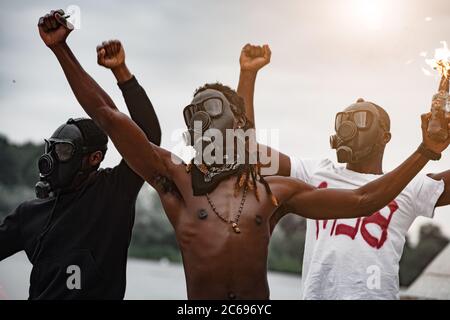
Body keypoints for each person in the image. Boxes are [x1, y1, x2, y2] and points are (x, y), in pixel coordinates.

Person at [38, 9, 450, 300]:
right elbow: (109, 116)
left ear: (236, 125)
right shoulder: (174, 180)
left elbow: (363, 200)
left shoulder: (274, 192)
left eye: (211, 109)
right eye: (193, 113)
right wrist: (61, 51)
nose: (200, 118)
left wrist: (425, 151)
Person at [237, 43, 450, 299]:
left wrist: (434, 142)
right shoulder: (314, 172)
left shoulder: (407, 185)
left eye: (361, 120)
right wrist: (247, 76)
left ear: (385, 136)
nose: (349, 127)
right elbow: (245, 152)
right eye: (343, 121)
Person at [0, 33, 161, 299]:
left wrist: (122, 73)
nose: (51, 159)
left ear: (94, 158)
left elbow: (148, 139)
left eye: (63, 150)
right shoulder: (29, 214)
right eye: (50, 149)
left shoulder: (114, 193)